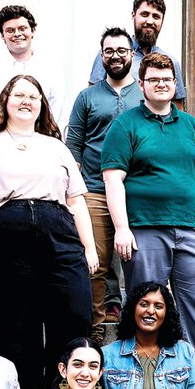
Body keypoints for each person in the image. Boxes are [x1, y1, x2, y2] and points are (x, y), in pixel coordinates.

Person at [0, 75, 99, 389]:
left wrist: (89, 247)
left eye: (33, 96)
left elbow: (76, 200)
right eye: (19, 95)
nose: (26, 101)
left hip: (59, 236)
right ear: (5, 101)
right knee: (18, 323)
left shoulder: (56, 147)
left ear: (42, 105)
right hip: (5, 240)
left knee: (74, 314)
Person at [102, 54, 195, 386]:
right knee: (147, 303)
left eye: (167, 79)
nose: (161, 84)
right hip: (145, 228)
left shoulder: (191, 126)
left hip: (193, 228)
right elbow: (113, 179)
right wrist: (123, 228)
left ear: (175, 84)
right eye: (154, 79)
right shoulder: (125, 125)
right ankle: (143, 368)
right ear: (141, 84)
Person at [66, 26, 142, 327]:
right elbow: (73, 143)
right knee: (94, 262)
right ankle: (94, 330)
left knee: (139, 264)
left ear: (132, 55)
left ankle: (136, 328)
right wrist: (72, 184)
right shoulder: (87, 97)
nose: (115, 56)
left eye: (121, 50)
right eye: (109, 51)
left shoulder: (145, 94)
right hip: (94, 190)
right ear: (102, 55)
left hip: (137, 190)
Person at [0, 4, 69, 129]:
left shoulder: (50, 67)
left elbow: (56, 109)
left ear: (32, 31)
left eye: (22, 28)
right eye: (10, 30)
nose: (17, 34)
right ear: (2, 36)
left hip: (37, 137)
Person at [88, 0, 187, 103]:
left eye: (156, 16)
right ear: (133, 15)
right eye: (144, 14)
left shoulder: (171, 62)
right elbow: (91, 99)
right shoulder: (111, 54)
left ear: (162, 20)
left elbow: (177, 107)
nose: (150, 21)